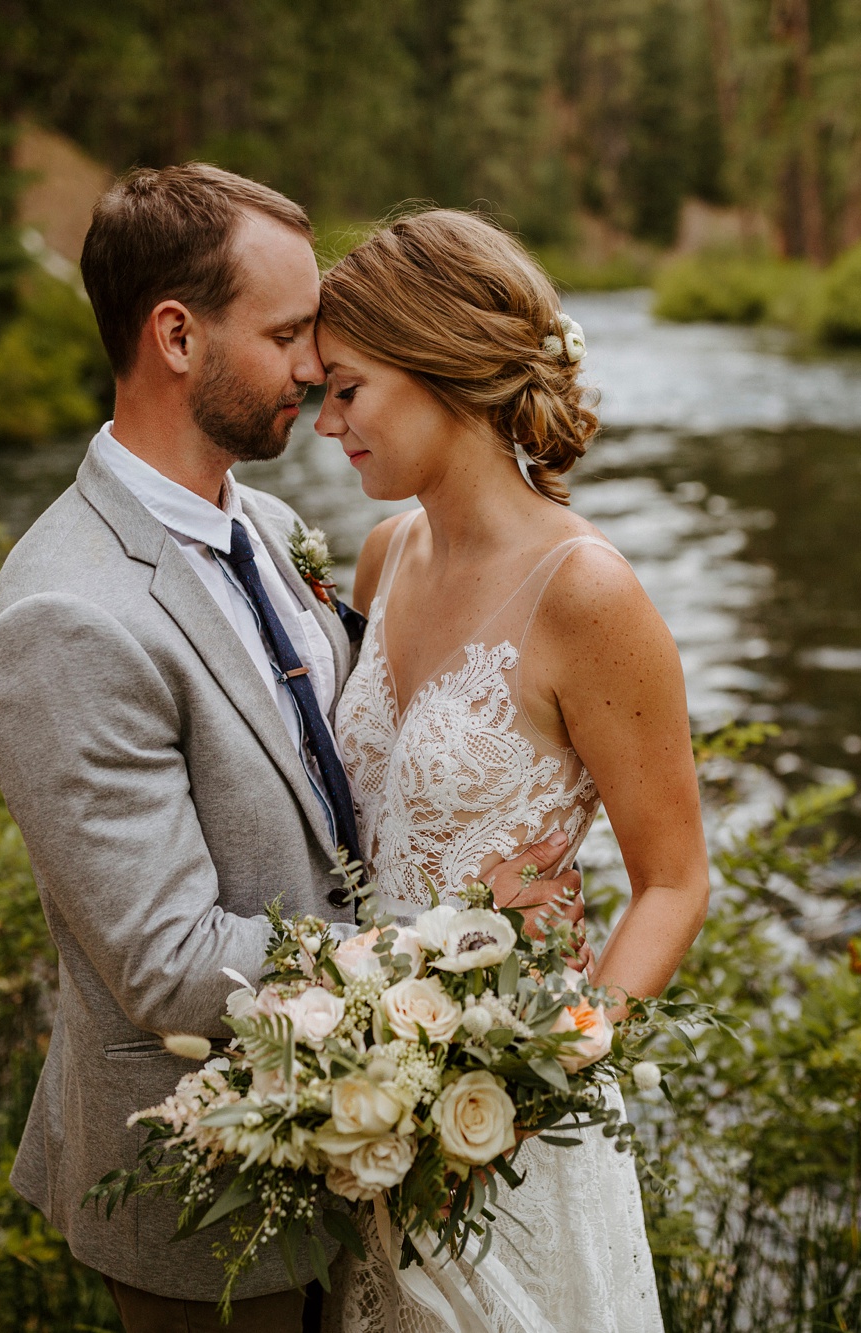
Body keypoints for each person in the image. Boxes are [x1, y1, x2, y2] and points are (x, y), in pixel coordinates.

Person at [0, 167, 582, 1333]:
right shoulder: (65, 620)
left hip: (366, 1164)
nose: (314, 365)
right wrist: (456, 948)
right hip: (207, 1201)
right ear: (177, 335)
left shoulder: (267, 526)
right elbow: (172, 964)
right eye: (288, 330)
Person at [315, 210, 711, 1332]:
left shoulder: (585, 594)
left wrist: (531, 1085)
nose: (325, 423)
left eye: (348, 390)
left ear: (440, 366)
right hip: (361, 1111)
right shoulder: (387, 552)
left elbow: (674, 882)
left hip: (508, 1132)